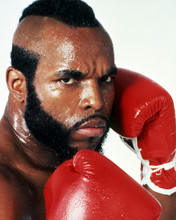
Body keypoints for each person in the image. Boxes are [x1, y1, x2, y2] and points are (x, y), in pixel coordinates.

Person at [0, 0, 175, 219]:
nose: (96, 101)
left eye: (106, 79)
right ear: (18, 84)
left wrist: (161, 171)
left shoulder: (71, 166)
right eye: (68, 79)